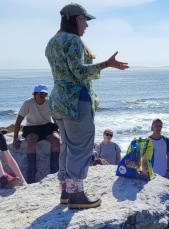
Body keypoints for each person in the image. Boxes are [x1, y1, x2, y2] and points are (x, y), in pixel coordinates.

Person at [46, 3, 128, 209]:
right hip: (75, 100)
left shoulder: (52, 41)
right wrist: (106, 64)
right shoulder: (73, 40)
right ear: (74, 19)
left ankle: (65, 190)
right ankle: (77, 195)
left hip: (58, 100)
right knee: (80, 148)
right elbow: (80, 72)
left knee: (67, 145)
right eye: (84, 20)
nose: (87, 25)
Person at [12, 84, 61, 183]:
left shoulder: (50, 102)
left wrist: (60, 131)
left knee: (56, 140)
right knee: (31, 140)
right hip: (31, 127)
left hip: (46, 125)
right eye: (40, 93)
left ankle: (54, 170)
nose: (42, 95)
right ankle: (32, 170)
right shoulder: (28, 103)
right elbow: (18, 122)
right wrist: (15, 139)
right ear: (35, 94)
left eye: (44, 93)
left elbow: (55, 118)